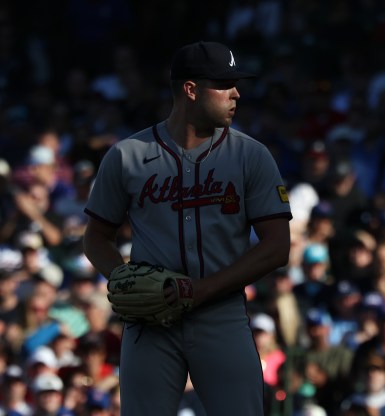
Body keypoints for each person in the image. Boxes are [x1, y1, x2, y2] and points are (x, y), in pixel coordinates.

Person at [82, 41, 292, 415]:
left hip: (222, 317)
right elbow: (96, 237)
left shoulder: (251, 155)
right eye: (224, 83)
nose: (236, 93)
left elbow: (277, 247)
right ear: (190, 90)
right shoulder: (126, 155)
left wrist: (202, 289)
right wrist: (123, 278)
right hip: (150, 322)